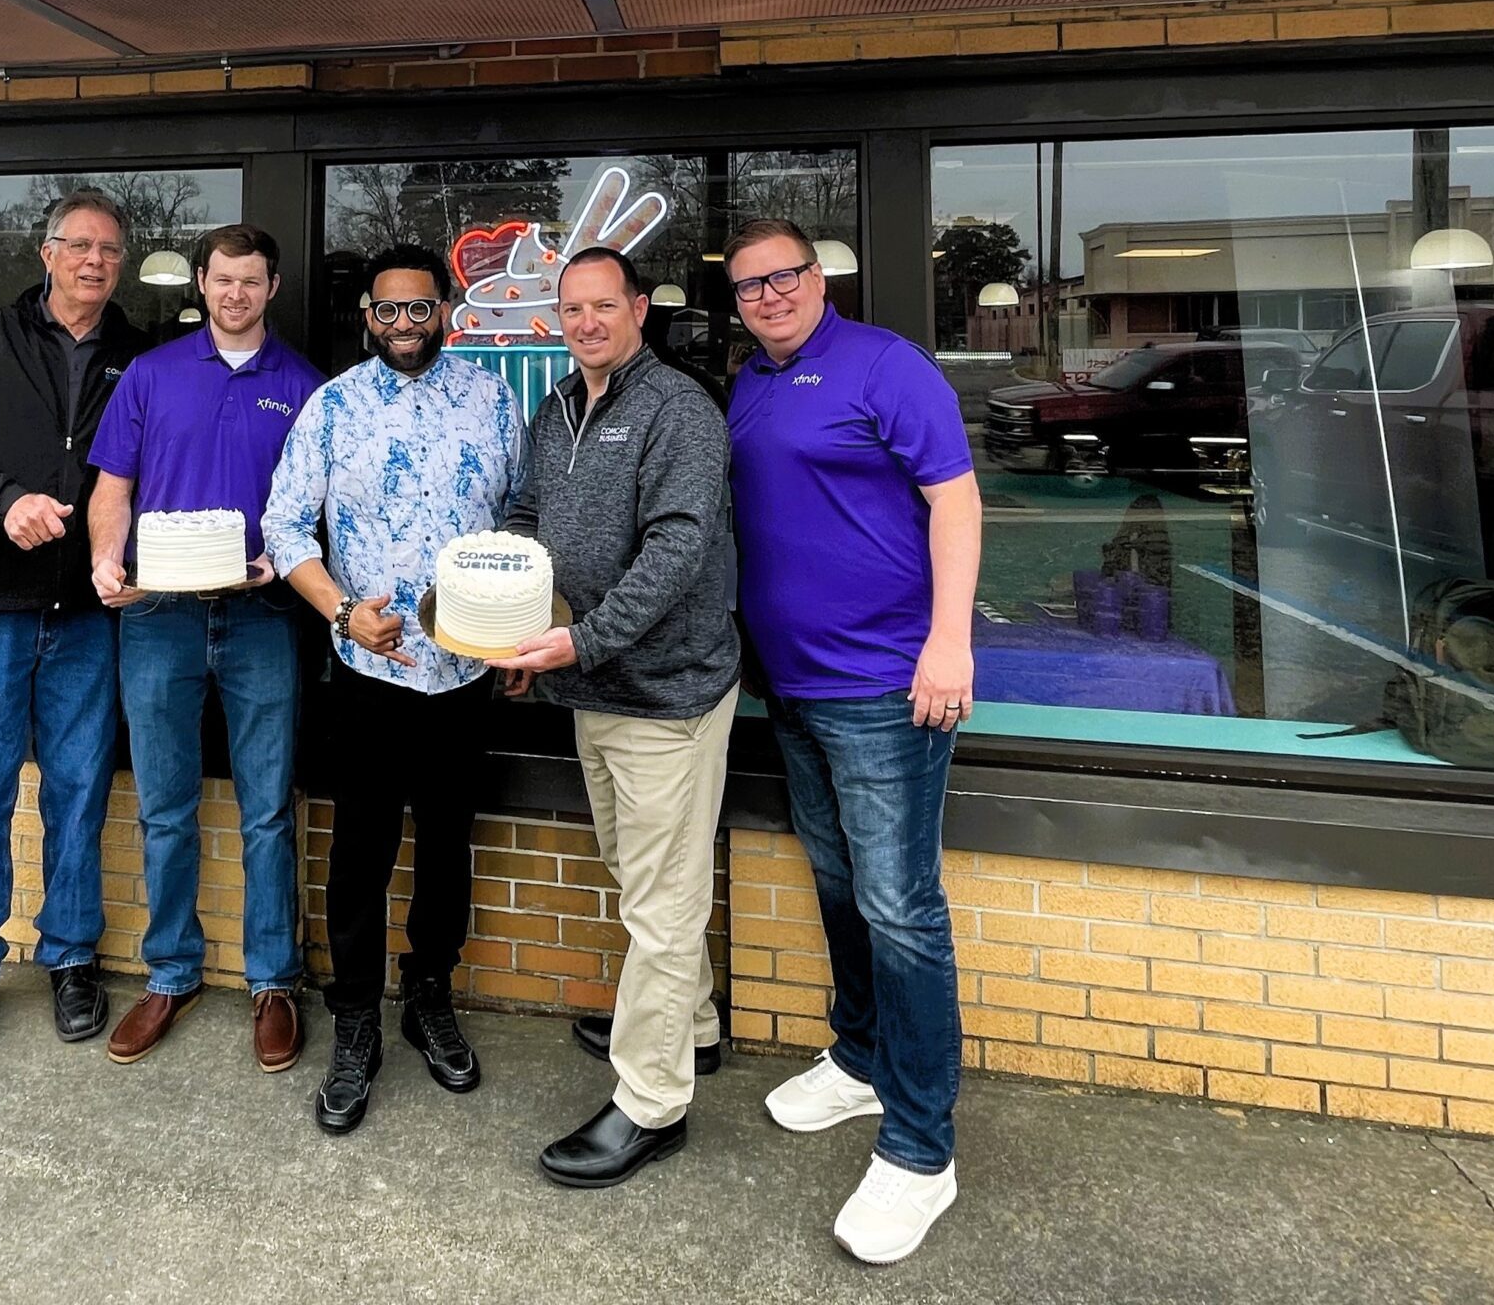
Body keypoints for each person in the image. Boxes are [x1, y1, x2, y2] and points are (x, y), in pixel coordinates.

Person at [722, 216, 983, 1266]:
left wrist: (949, 643)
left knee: (900, 908)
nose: (769, 295)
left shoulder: (886, 365)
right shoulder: (749, 385)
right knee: (837, 884)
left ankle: (922, 1151)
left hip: (886, 688)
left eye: (784, 276)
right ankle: (862, 1055)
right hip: (791, 687)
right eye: (748, 286)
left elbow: (955, 503)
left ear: (819, 276)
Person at [263, 243, 524, 1134]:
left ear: (445, 311)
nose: (404, 325)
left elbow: (524, 517)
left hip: (466, 676)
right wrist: (341, 614)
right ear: (366, 317)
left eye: (420, 309)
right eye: (388, 311)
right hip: (368, 674)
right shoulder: (331, 408)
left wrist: (519, 624)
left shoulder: (492, 401)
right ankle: (355, 1024)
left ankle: (428, 996)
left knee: (448, 847)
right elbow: (286, 524)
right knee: (359, 857)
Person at [498, 247, 740, 1190]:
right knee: (647, 877)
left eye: (605, 306)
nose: (587, 321)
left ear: (639, 308)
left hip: (665, 693)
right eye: (572, 308)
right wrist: (518, 620)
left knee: (661, 904)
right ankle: (692, 1024)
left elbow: (677, 550)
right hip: (588, 686)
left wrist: (581, 639)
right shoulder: (554, 408)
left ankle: (651, 1102)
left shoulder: (678, 410)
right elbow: (525, 515)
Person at [0, 190, 149, 1070]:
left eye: (110, 251)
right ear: (46, 254)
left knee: (78, 794)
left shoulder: (139, 355)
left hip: (87, 614)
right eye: (80, 246)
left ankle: (72, 955)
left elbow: (154, 474)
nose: (95, 262)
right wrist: (3, 503)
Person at [87, 224, 325, 1072]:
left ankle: (273, 981)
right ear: (201, 282)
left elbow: (321, 510)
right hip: (158, 619)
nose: (235, 295)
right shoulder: (151, 375)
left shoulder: (304, 386)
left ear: (271, 287)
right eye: (222, 280)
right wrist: (104, 560)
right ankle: (172, 972)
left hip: (262, 618)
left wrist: (289, 562)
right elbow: (112, 487)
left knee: (266, 809)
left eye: (251, 282)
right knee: (164, 807)